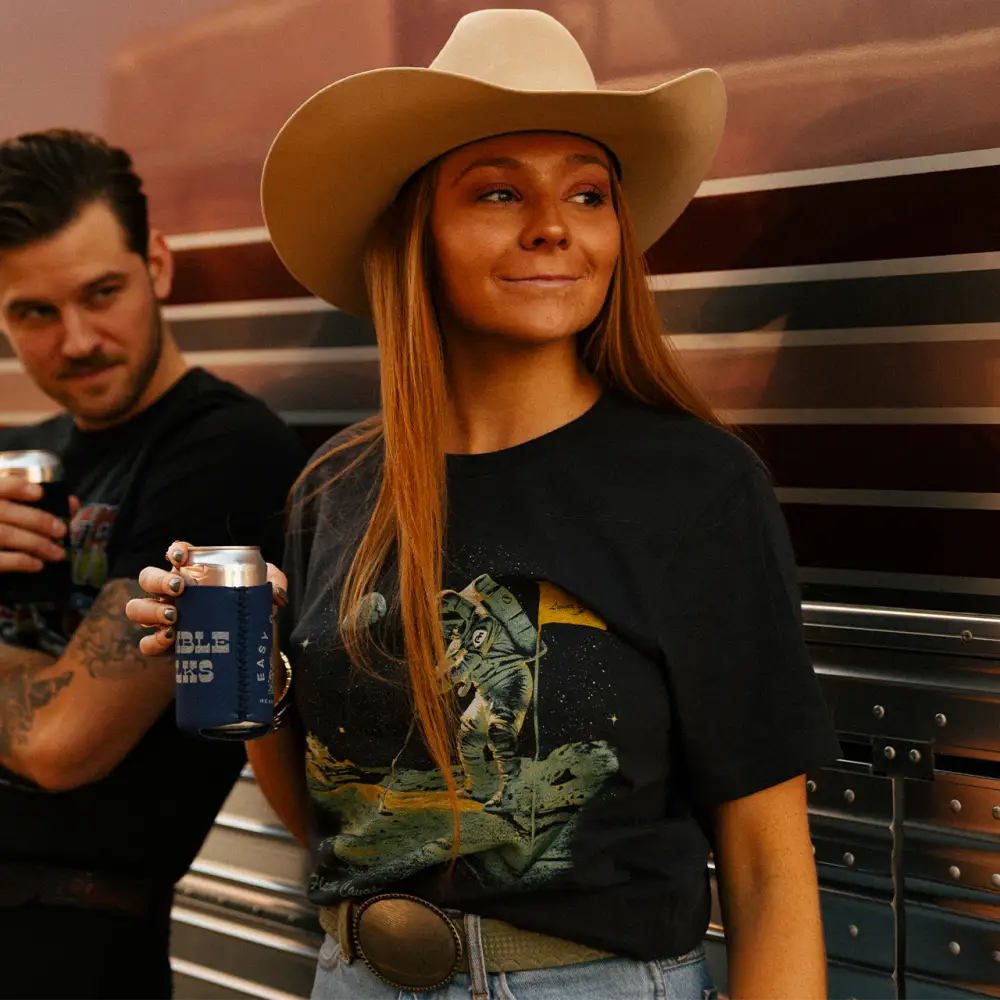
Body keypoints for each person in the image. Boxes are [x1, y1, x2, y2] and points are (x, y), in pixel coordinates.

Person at [129, 10, 841, 1000]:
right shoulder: (336, 484)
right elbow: (347, 834)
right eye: (500, 191)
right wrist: (248, 670)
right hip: (353, 976)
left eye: (586, 193)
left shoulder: (694, 486)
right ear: (414, 231)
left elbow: (768, 869)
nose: (552, 224)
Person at [0, 129, 305, 999]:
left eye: (102, 293)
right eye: (34, 313)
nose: (78, 340)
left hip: (60, 945)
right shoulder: (28, 454)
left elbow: (61, 745)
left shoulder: (224, 449)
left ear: (158, 266)